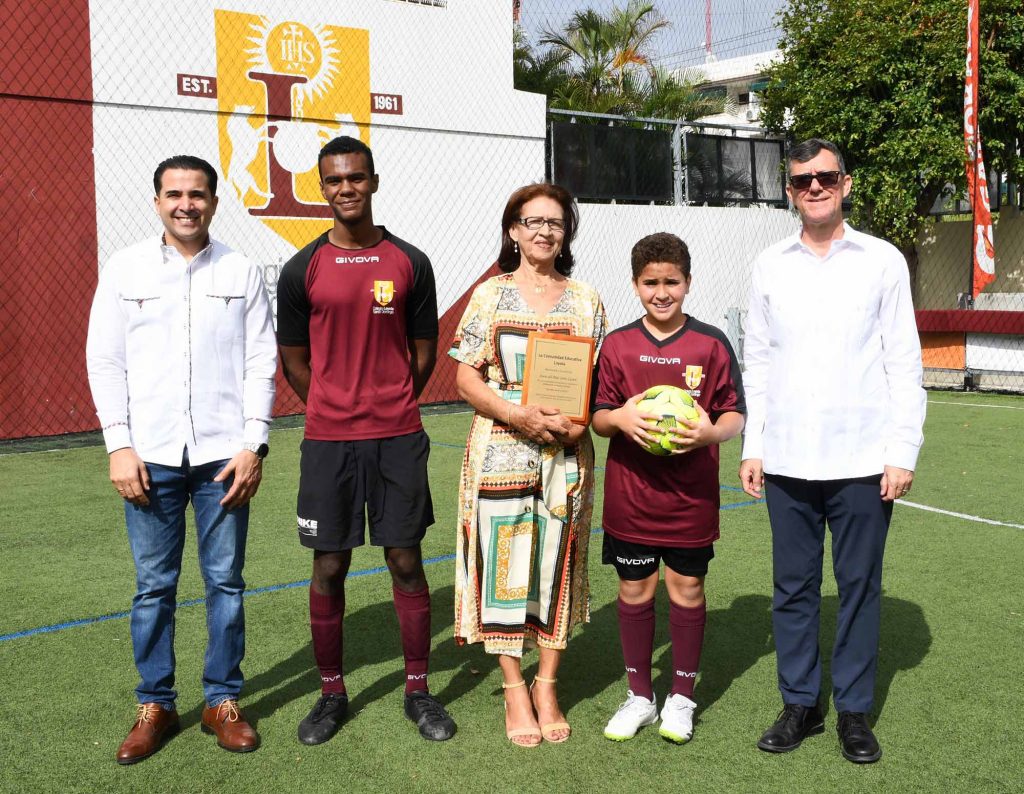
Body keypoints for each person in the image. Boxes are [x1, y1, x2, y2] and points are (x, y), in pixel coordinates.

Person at [739, 138, 926, 764]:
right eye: (800, 181)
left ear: (845, 184)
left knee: (859, 587)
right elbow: (758, 363)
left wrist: (902, 451)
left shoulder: (882, 261)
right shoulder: (770, 264)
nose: (813, 188)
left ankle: (852, 711)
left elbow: (904, 361)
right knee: (792, 588)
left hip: (862, 460)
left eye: (824, 177)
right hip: (788, 460)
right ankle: (800, 703)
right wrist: (753, 445)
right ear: (788, 192)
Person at [86, 155, 276, 764]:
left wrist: (254, 443)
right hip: (150, 457)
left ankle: (222, 700)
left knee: (225, 583)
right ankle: (156, 704)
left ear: (215, 203)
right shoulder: (125, 268)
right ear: (157, 200)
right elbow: (105, 360)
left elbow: (260, 361)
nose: (186, 204)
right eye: (174, 194)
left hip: (223, 456)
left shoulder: (241, 270)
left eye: (197, 194)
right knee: (153, 588)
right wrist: (119, 444)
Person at [276, 136, 456, 745]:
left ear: (373, 182)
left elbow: (425, 348)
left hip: (399, 433)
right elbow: (294, 360)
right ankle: (331, 693)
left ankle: (418, 689)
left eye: (355, 178)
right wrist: (334, 402)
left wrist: (390, 397)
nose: (345, 188)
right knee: (329, 564)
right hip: (329, 439)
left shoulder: (410, 261)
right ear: (321, 188)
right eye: (333, 180)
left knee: (405, 558)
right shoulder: (302, 268)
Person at [450, 183, 607, 747]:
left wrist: (579, 420)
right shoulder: (489, 295)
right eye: (532, 220)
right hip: (500, 448)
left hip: (566, 453)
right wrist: (517, 414)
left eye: (556, 223)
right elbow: (466, 375)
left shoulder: (586, 298)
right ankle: (514, 689)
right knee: (505, 568)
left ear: (567, 234)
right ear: (513, 229)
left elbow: (596, 380)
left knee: (559, 564)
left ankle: (547, 684)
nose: (544, 231)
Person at [591, 233, 745, 744]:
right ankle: (639, 696)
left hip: (689, 501)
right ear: (636, 285)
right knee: (634, 591)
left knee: (687, 589)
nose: (662, 292)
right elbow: (597, 416)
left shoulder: (711, 343)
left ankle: (681, 698)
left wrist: (709, 432)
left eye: (671, 282)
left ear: (688, 283)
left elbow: (734, 414)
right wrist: (621, 418)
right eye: (651, 282)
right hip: (632, 498)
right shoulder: (617, 345)